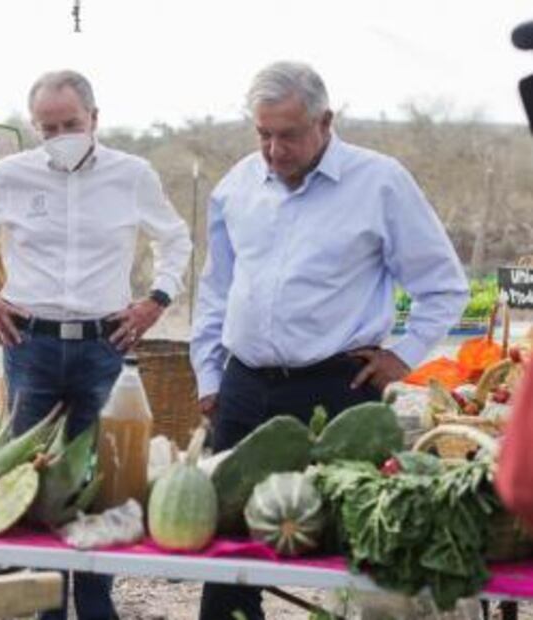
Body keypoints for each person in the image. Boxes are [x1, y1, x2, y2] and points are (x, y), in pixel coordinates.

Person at [190, 61, 469, 620]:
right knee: (225, 555)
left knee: (352, 551)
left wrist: (402, 356)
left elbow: (444, 286)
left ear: (325, 121)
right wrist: (209, 373)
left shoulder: (380, 182)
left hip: (337, 393)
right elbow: (217, 288)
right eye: (263, 134)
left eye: (288, 135)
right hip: (243, 390)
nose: (273, 150)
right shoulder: (236, 185)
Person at [0, 69, 191, 620]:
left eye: (71, 124)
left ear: (95, 119)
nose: (61, 136)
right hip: (31, 343)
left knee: (99, 480)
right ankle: (47, 606)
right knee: (34, 479)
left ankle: (98, 603)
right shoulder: (12, 175)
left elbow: (176, 240)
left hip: (105, 344)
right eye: (48, 127)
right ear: (34, 127)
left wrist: (156, 300)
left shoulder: (133, 175)